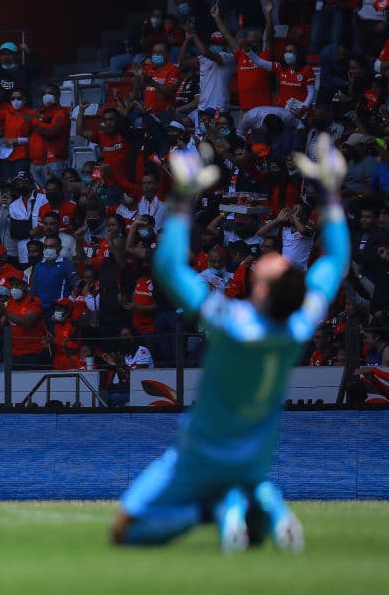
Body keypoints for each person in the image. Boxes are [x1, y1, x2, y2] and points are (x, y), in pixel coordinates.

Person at [112, 137, 350, 552]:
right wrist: (330, 194)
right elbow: (334, 261)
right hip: (254, 459)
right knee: (249, 489)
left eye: (269, 267)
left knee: (124, 532)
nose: (270, 259)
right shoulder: (300, 322)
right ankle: (260, 502)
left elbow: (167, 266)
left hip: (200, 453)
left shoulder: (231, 322)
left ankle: (214, 509)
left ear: (260, 291)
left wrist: (184, 198)